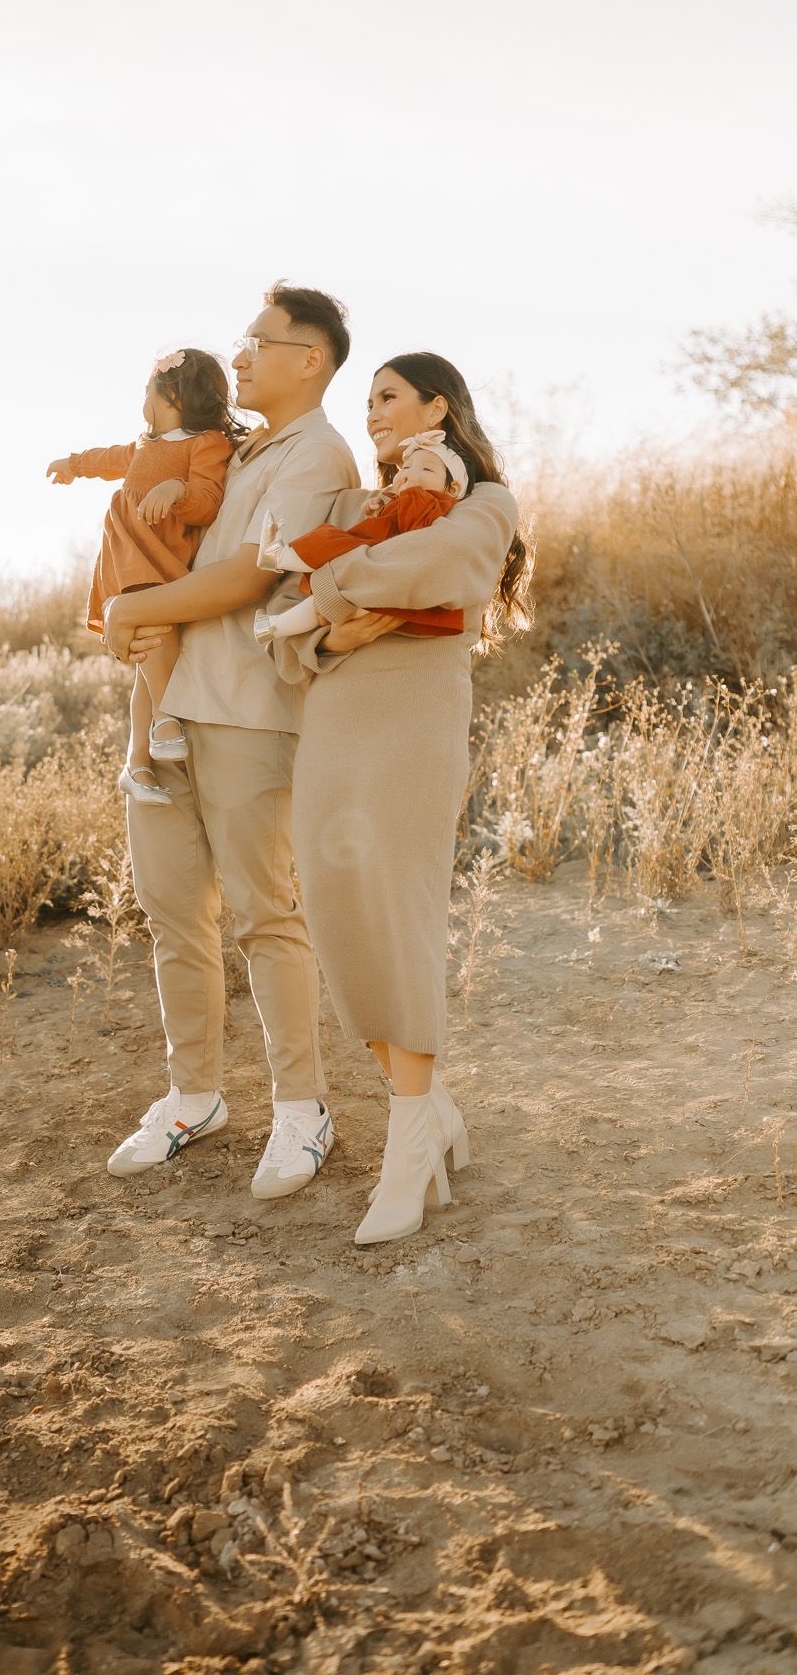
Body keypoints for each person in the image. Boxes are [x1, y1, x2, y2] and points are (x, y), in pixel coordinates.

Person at [265, 354, 533, 1244]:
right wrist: (333, 626)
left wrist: (332, 589)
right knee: (340, 912)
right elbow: (286, 633)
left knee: (396, 906)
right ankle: (430, 1108)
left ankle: (409, 1137)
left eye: (385, 397)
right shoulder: (357, 509)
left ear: (437, 405)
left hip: (414, 716)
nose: (370, 414)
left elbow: (445, 570)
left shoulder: (482, 501)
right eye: (366, 400)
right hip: (336, 715)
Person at [101, 283, 361, 1200]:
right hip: (165, 704)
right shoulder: (230, 448)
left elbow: (254, 577)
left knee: (260, 914)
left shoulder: (317, 454)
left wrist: (130, 608)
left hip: (247, 713)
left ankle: (302, 1111)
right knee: (173, 912)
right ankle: (193, 1097)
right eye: (242, 343)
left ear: (311, 360)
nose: (240, 356)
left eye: (260, 342)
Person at [46, 349, 238, 804]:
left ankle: (137, 763)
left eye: (146, 390)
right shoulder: (143, 445)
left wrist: (176, 490)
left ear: (169, 394)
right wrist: (73, 465)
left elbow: (209, 497)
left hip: (164, 554)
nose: (142, 400)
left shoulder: (206, 442)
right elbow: (109, 459)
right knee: (151, 630)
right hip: (128, 551)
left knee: (148, 659)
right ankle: (168, 718)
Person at [253, 428, 469, 644]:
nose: (410, 473)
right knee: (319, 602)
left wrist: (405, 494)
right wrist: (381, 506)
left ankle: (280, 557)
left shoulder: (437, 503)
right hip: (375, 584)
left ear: (453, 488)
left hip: (384, 583)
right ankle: (272, 628)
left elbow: (414, 527)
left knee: (330, 541)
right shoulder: (414, 499)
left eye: (427, 469)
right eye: (408, 467)